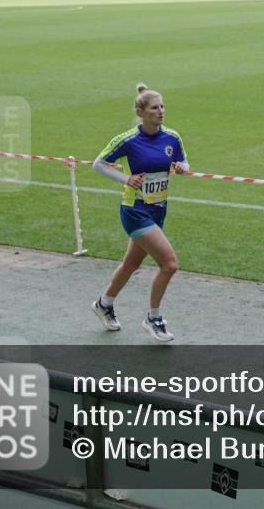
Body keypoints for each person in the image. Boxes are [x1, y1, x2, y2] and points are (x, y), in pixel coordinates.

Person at [90, 83, 188, 342]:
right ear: (141, 112)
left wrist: (181, 167)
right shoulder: (128, 140)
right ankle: (153, 318)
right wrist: (125, 178)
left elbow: (184, 161)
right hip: (135, 211)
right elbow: (98, 164)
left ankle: (104, 304)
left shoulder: (172, 137)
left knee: (131, 264)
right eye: (155, 108)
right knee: (169, 265)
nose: (161, 111)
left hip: (159, 210)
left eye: (163, 106)